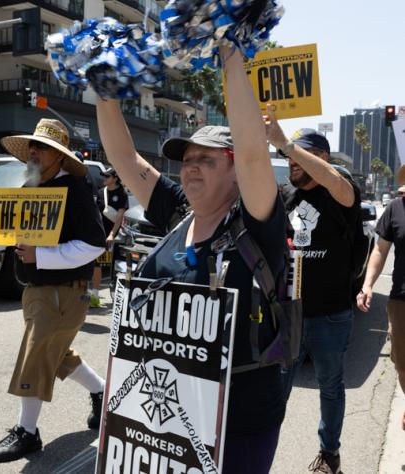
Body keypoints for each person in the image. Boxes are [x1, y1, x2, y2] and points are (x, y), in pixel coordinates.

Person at [96, 46, 287, 474]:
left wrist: (231, 55)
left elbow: (255, 153)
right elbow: (124, 159)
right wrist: (103, 86)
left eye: (207, 159)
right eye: (186, 161)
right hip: (166, 413)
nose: (190, 168)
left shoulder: (255, 222)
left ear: (236, 171)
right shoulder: (179, 212)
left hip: (239, 421)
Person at [0, 119, 107, 463]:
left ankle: (28, 432)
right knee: (54, 353)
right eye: (33, 147)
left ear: (60, 156)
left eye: (44, 148)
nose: (35, 152)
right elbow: (24, 237)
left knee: (38, 353)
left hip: (65, 290)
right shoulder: (32, 187)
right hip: (37, 288)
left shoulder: (77, 191)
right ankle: (101, 392)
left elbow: (95, 244)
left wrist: (43, 255)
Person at [265, 109, 361, 474]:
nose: (290, 161)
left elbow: (337, 183)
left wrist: (287, 142)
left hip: (332, 314)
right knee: (276, 388)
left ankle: (329, 455)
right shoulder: (286, 197)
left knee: (330, 387)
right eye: (289, 157)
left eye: (299, 155)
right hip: (291, 314)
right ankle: (260, 452)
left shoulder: (341, 190)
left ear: (320, 158)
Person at [356, 163, 405, 431]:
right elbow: (380, 250)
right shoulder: (395, 209)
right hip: (401, 300)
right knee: (401, 361)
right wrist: (368, 285)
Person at [89, 168, 129, 308]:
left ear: (115, 178)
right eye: (104, 176)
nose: (104, 178)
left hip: (114, 235)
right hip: (100, 234)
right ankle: (94, 295)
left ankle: (119, 296)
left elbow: (119, 216)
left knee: (116, 266)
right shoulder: (101, 192)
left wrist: (112, 233)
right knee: (97, 263)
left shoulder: (122, 194)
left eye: (107, 176)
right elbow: (96, 213)